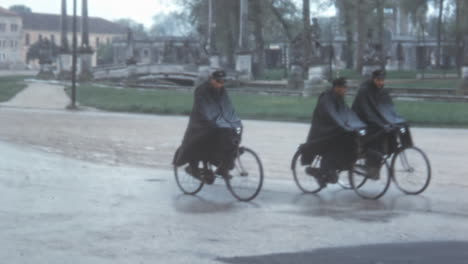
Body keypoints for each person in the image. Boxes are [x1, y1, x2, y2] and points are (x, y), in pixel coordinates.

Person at [173, 70, 242, 184]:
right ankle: (195, 166)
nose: (221, 84)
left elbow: (227, 106)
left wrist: (234, 120)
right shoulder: (201, 90)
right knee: (201, 139)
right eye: (218, 81)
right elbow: (204, 108)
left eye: (223, 82)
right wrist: (215, 120)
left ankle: (223, 165)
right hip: (200, 121)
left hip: (217, 121)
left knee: (233, 133)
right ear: (212, 79)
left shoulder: (222, 90)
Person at [303, 77, 366, 186]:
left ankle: (334, 168)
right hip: (323, 132)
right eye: (343, 88)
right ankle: (320, 173)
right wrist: (343, 126)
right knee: (333, 150)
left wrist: (358, 124)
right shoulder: (327, 99)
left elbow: (347, 113)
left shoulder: (339, 98)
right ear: (336, 88)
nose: (345, 90)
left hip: (334, 130)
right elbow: (333, 115)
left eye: (346, 88)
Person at [352, 69, 407, 178]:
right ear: (373, 79)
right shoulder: (364, 91)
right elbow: (367, 111)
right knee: (376, 134)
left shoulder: (382, 92)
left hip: (373, 119)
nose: (381, 83)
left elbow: (389, 108)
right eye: (378, 80)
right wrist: (380, 123)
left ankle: (378, 161)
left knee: (389, 131)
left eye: (382, 80)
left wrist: (396, 120)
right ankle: (370, 166)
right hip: (361, 121)